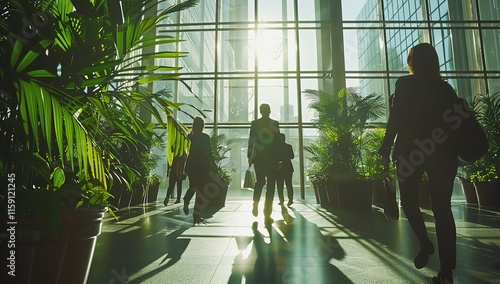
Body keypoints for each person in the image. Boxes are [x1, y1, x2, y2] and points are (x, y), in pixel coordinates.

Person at [378, 43, 459, 284]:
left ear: (411, 62)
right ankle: (446, 272)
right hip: (443, 152)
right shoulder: (446, 89)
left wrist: (385, 148)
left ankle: (424, 241)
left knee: (410, 202)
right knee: (443, 209)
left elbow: (396, 118)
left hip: (410, 151)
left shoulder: (405, 84)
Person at [248, 103, 280, 226]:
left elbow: (251, 140)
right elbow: (278, 143)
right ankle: (267, 214)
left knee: (260, 182)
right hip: (271, 158)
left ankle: (255, 203)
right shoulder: (274, 124)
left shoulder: (255, 124)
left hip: (258, 158)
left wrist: (249, 156)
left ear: (261, 112)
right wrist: (279, 159)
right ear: (270, 111)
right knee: (271, 186)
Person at [183, 116, 216, 225]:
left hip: (192, 165)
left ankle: (186, 200)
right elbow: (209, 153)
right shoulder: (205, 137)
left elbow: (186, 153)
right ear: (202, 126)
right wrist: (214, 166)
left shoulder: (190, 137)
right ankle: (196, 213)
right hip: (203, 166)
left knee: (193, 186)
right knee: (201, 190)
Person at [276, 133, 294, 207]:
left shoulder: (276, 147)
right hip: (288, 167)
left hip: (279, 167)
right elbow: (292, 156)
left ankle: (281, 200)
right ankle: (290, 199)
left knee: (280, 185)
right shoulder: (289, 146)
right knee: (289, 184)